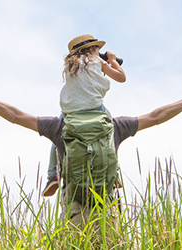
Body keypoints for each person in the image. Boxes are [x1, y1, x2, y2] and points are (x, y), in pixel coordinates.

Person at [0, 70, 182, 222]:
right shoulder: (115, 126)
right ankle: (115, 179)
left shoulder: (59, 126)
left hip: (74, 206)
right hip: (107, 205)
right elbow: (157, 116)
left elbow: (15, 116)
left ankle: (52, 177)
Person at [43, 34, 127, 197]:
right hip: (94, 108)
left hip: (70, 111)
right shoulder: (98, 61)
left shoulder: (70, 66)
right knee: (111, 133)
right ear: (90, 49)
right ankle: (115, 171)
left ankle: (52, 175)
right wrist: (112, 60)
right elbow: (121, 78)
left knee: (57, 135)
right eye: (98, 49)